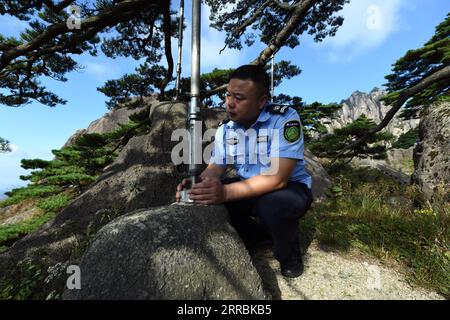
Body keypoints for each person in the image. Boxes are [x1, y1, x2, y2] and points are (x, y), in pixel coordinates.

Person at [175, 64, 313, 278]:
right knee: (208, 195)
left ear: (262, 102)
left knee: (273, 206)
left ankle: (289, 254)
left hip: (289, 189)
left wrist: (225, 193)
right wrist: (197, 185)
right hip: (248, 184)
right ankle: (256, 235)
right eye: (228, 94)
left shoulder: (284, 118)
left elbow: (278, 179)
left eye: (239, 98)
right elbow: (216, 167)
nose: (229, 103)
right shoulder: (226, 128)